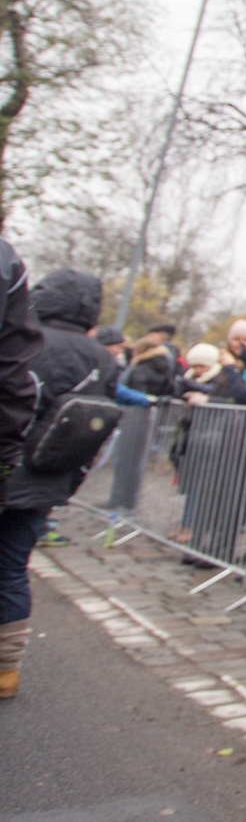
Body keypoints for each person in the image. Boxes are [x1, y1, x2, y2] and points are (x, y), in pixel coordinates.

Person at [3, 268, 115, 694]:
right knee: (13, 569)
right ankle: (6, 670)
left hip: (8, 462)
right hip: (47, 476)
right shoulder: (102, 356)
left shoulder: (25, 338)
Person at [0, 241, 43, 699]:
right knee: (12, 566)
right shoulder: (6, 261)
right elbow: (15, 385)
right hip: (36, 475)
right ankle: (6, 670)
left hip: (26, 471)